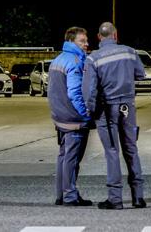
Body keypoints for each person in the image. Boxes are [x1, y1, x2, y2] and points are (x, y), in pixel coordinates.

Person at [83, 22, 147, 209]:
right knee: (131, 149)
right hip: (128, 106)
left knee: (112, 152)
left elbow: (89, 91)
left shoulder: (93, 58)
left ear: (99, 37)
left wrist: (90, 112)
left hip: (107, 108)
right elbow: (141, 75)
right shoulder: (130, 52)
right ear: (116, 35)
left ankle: (115, 198)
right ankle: (138, 197)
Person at [48, 26, 93, 207]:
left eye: (86, 40)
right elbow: (75, 92)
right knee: (72, 159)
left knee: (63, 156)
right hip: (73, 118)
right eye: (82, 41)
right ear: (71, 41)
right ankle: (70, 196)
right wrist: (85, 113)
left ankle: (61, 194)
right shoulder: (75, 61)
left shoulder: (57, 59)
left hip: (59, 115)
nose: (86, 44)